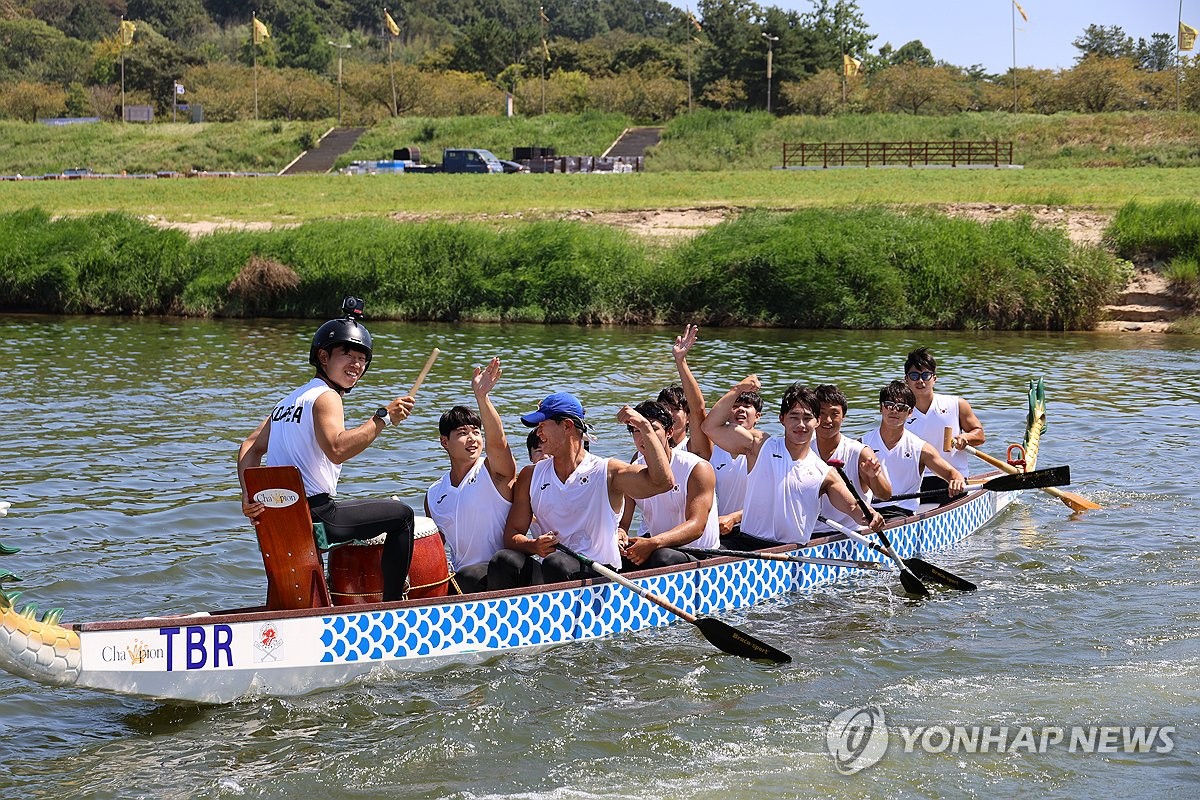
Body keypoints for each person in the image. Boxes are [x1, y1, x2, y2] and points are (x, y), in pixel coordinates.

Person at [238, 298, 415, 602]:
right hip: (318, 516)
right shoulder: (326, 397)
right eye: (347, 354)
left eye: (362, 358)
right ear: (323, 356)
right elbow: (336, 449)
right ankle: (393, 609)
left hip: (279, 516)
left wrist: (249, 496)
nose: (356, 364)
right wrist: (382, 418)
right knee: (402, 516)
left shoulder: (287, 402)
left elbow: (249, 447)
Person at [488, 392, 673, 588]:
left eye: (543, 425)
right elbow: (512, 535)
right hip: (554, 570)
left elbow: (662, 482)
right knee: (504, 560)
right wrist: (533, 545)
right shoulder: (530, 475)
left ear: (567, 426)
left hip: (601, 576)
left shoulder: (608, 472)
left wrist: (645, 427)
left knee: (556, 562)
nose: (538, 433)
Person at [701, 377, 883, 550]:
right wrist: (737, 389)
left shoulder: (824, 473)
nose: (801, 425)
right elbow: (710, 427)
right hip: (746, 543)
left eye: (807, 418)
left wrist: (871, 515)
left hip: (790, 552)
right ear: (782, 419)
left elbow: (852, 507)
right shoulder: (759, 445)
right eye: (794, 417)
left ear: (817, 422)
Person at [424, 358, 517, 594]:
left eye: (476, 432)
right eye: (463, 433)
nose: (473, 439)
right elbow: (435, 549)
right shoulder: (434, 494)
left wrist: (482, 397)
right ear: (444, 442)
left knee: (474, 573)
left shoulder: (493, 472)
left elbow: (499, 443)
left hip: (506, 573)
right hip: (463, 580)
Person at [668, 324, 760, 535]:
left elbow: (774, 502)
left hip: (750, 531)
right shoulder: (711, 448)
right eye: (735, 405)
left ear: (759, 416)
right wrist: (680, 362)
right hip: (716, 531)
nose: (740, 411)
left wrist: (736, 517)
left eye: (747, 406)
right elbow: (700, 414)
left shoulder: (766, 447)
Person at [616, 400, 719, 569]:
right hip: (659, 547)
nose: (644, 437)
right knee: (612, 557)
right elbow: (623, 522)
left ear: (669, 432)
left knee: (662, 557)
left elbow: (697, 526)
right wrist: (620, 535)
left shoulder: (697, 468)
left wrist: (653, 542)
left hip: (701, 555)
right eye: (637, 430)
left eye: (651, 429)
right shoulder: (634, 470)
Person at [861, 380, 967, 519]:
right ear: (881, 408)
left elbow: (953, 474)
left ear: (910, 412)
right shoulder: (861, 444)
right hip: (867, 511)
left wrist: (957, 481)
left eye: (901, 407)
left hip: (900, 512)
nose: (894, 410)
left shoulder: (921, 449)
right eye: (889, 405)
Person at [902, 347, 985, 501]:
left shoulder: (956, 404)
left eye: (925, 375)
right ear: (906, 379)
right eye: (914, 375)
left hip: (952, 480)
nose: (920, 381)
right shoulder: (897, 411)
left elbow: (979, 434)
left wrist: (966, 437)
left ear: (934, 378)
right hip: (913, 482)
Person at [811, 384, 891, 532]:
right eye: (822, 413)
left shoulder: (860, 453)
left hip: (851, 532)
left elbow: (885, 495)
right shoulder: (803, 450)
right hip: (809, 533)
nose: (827, 420)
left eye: (834, 414)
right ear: (814, 416)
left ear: (843, 417)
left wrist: (874, 477)